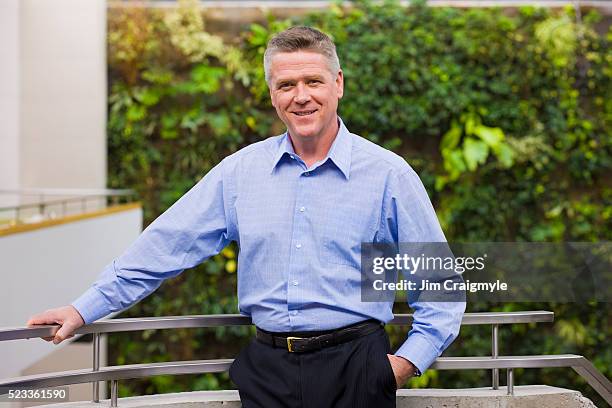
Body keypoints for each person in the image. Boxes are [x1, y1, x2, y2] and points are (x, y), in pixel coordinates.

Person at [28, 26, 465, 407]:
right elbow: (166, 245)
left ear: (338, 84)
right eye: (286, 85)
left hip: (358, 370)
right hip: (266, 372)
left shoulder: (389, 175)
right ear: (272, 94)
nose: (301, 96)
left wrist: (402, 366)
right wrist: (83, 309)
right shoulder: (240, 173)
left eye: (313, 81)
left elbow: (441, 284)